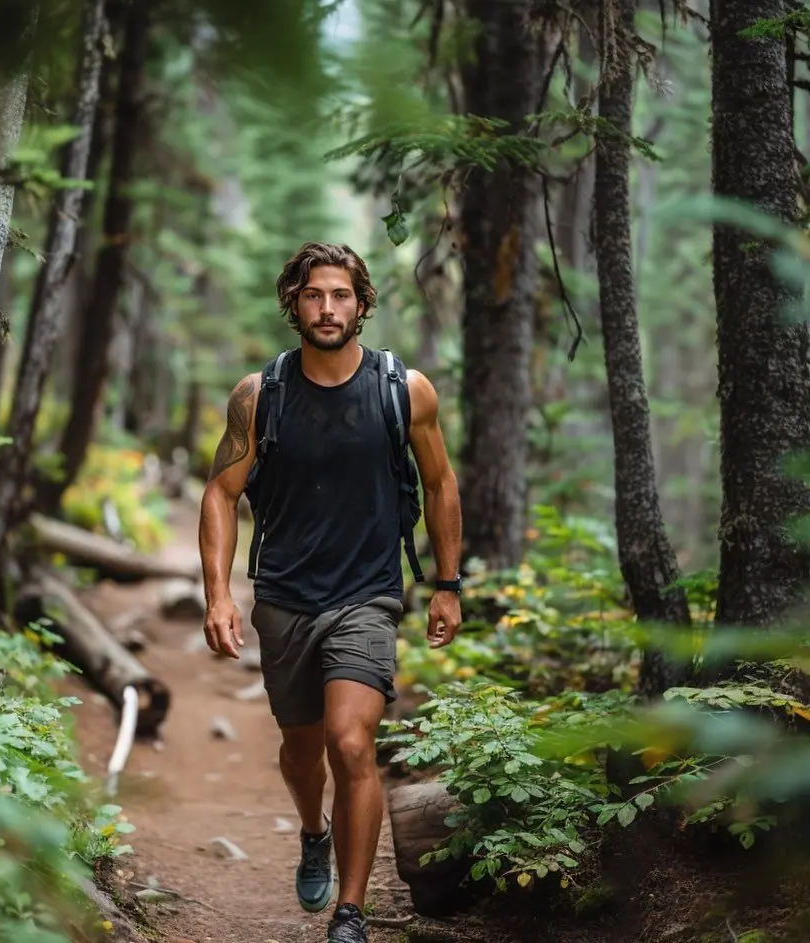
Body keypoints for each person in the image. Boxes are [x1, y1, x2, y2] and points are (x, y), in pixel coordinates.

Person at [198, 242, 463, 943]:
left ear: (362, 303)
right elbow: (221, 492)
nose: (327, 308)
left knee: (351, 743)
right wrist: (218, 595)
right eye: (313, 294)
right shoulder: (261, 395)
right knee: (302, 750)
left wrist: (446, 584)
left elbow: (440, 482)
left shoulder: (403, 389)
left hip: (367, 596)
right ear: (294, 302)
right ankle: (313, 831)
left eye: (340, 295)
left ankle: (350, 913)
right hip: (284, 597)